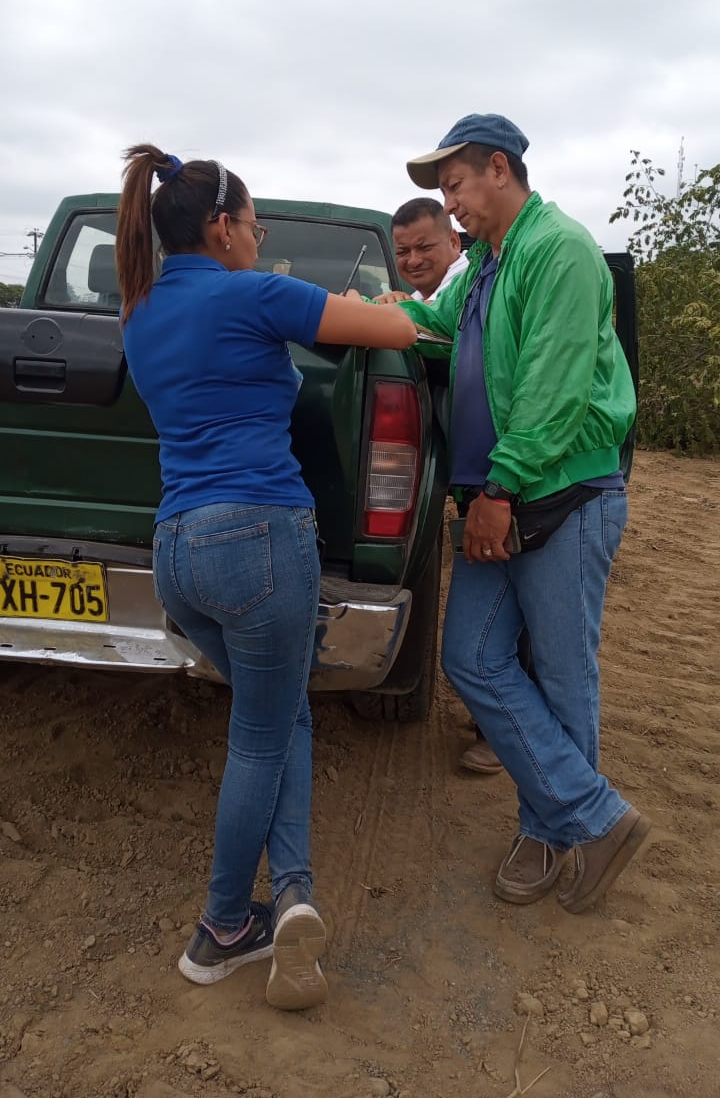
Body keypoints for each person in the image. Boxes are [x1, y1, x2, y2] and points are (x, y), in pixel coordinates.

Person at [115, 146, 416, 1009]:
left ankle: (290, 896)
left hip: (177, 552)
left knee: (280, 714)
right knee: (260, 733)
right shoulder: (251, 293)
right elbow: (397, 335)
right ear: (222, 228)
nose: (259, 238)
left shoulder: (139, 312)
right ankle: (219, 928)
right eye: (254, 225)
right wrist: (382, 305)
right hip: (259, 541)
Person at [396, 113, 649, 912]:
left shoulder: (558, 249)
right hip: (502, 499)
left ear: (498, 169)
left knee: (564, 674)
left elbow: (553, 389)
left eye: (456, 185)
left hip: (560, 495)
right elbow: (438, 327)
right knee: (472, 657)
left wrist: (499, 491)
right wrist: (372, 309)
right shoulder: (485, 264)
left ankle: (547, 832)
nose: (450, 203)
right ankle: (594, 818)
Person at [380, 198, 505, 775]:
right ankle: (498, 725)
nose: (413, 259)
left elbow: (443, 338)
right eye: (403, 251)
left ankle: (503, 734)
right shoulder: (438, 295)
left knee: (509, 604)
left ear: (455, 243)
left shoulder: (468, 283)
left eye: (425, 246)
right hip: (475, 476)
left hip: (503, 475)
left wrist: (388, 312)